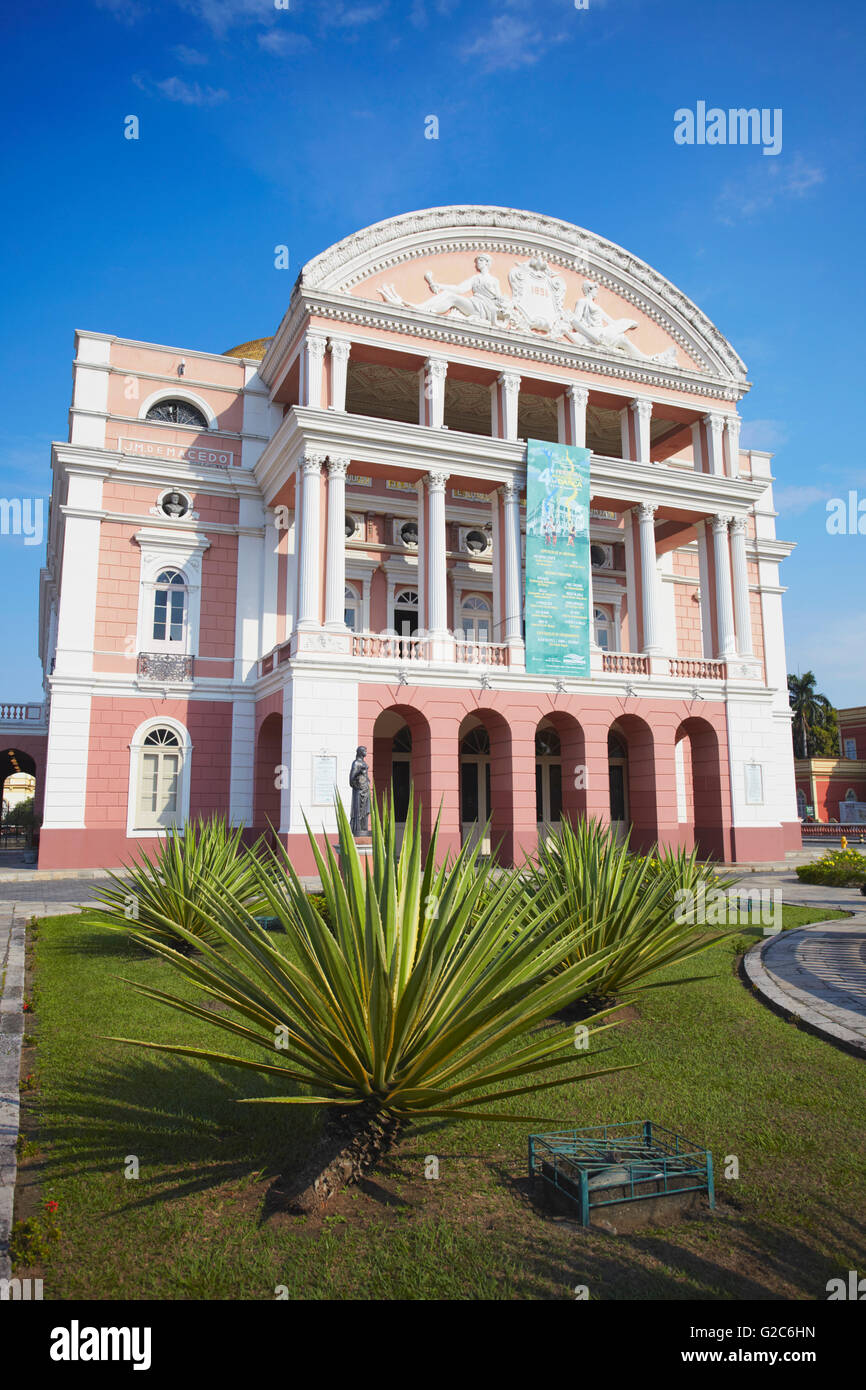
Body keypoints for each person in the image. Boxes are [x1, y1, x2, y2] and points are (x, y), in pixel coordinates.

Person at [349, 747, 371, 837]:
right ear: (359, 752)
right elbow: (351, 778)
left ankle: (364, 828)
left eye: (366, 750)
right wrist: (359, 771)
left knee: (365, 811)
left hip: (365, 790)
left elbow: (365, 776)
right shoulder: (356, 763)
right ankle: (357, 828)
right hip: (359, 790)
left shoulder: (363, 763)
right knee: (359, 810)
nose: (366, 752)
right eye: (364, 751)